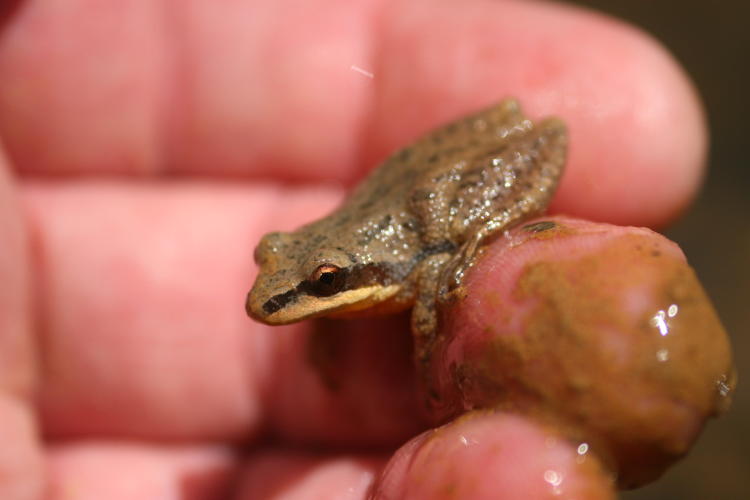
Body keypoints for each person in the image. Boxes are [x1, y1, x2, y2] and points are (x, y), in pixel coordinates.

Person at [0, 0, 707, 498]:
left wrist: (430, 364)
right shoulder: (322, 280)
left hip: (431, 210)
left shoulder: (392, 271)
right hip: (395, 204)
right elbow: (312, 280)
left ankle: (471, 227)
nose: (278, 297)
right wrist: (322, 325)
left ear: (345, 278)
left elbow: (431, 287)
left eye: (324, 284)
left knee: (440, 237)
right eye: (289, 273)